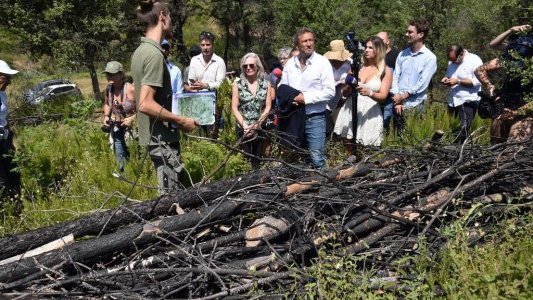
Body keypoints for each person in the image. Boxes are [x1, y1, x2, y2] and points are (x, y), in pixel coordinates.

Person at [131, 0, 198, 194]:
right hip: (162, 140)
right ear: (162, 16)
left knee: (172, 194)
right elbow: (144, 104)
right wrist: (181, 120)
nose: (171, 20)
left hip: (158, 137)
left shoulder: (141, 51)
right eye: (169, 16)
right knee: (170, 200)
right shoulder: (154, 54)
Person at [280, 27, 335, 170]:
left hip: (314, 117)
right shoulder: (291, 63)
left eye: (311, 40)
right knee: (298, 156)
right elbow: (282, 86)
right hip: (294, 116)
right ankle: (306, 188)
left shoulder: (322, 62)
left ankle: (326, 188)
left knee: (317, 158)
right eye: (305, 41)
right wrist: (290, 98)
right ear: (297, 45)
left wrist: (305, 98)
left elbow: (330, 91)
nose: (309, 44)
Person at [475, 24, 532, 144]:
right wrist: (490, 89)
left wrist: (516, 113)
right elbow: (480, 69)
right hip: (505, 104)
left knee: (514, 145)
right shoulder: (510, 56)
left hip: (525, 110)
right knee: (496, 144)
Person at [390, 19, 437, 134]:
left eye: (410, 32)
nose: (407, 34)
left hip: (416, 105)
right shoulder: (402, 54)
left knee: (412, 137)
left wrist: (403, 97)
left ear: (420, 35)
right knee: (396, 135)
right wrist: (397, 97)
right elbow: (396, 75)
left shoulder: (430, 58)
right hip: (398, 103)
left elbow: (422, 84)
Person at [231, 53, 273, 169]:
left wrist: (257, 125)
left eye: (251, 65)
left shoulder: (266, 84)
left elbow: (268, 106)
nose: (248, 68)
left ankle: (257, 184)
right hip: (243, 127)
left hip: (259, 126)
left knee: (257, 159)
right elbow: (234, 108)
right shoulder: (237, 85)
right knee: (245, 159)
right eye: (245, 66)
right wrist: (245, 126)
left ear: (257, 66)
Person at [352, 37, 392, 146]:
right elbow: (345, 92)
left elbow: (383, 96)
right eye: (366, 47)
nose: (366, 50)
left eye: (370, 47)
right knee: (348, 144)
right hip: (352, 108)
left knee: (366, 147)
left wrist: (370, 93)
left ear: (378, 50)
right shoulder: (357, 66)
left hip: (370, 113)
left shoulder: (385, 70)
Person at [441, 45, 483, 143]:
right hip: (452, 101)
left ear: (462, 53)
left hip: (467, 101)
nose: (453, 62)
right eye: (451, 60)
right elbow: (450, 75)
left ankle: (463, 152)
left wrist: (458, 81)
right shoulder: (451, 62)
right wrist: (446, 79)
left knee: (463, 130)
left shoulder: (474, 60)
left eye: (455, 60)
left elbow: (478, 81)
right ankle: (452, 152)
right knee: (452, 130)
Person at [102, 61, 136, 173]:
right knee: (119, 152)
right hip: (116, 126)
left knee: (134, 152)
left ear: (121, 74)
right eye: (108, 74)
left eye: (112, 74)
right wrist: (106, 116)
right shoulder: (108, 89)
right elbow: (107, 103)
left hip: (133, 128)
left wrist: (132, 118)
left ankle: (135, 174)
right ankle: (122, 173)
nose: (109, 77)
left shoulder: (131, 89)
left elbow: (144, 108)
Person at [323, 40, 352, 146]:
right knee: (326, 127)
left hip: (342, 99)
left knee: (339, 126)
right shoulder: (325, 63)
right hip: (326, 99)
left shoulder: (349, 64)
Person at [0, 60, 21, 201]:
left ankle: (17, 207)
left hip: (4, 141)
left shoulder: (2, 95)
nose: (9, 82)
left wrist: (10, 140)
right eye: (6, 77)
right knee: (1, 181)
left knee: (14, 173)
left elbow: (4, 119)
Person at [376, 31, 400, 133]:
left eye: (382, 39)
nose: (379, 42)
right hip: (377, 93)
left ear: (388, 41)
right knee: (377, 120)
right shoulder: (376, 55)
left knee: (386, 120)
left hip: (390, 94)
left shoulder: (396, 55)